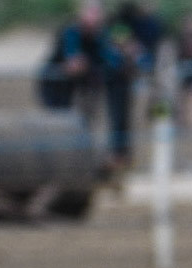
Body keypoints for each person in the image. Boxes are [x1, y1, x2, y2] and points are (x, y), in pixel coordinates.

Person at [53, 0, 136, 173]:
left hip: (99, 87)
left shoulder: (104, 33)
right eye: (92, 12)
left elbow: (112, 58)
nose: (95, 16)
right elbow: (72, 61)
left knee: (105, 123)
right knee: (78, 123)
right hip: (69, 90)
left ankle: (110, 160)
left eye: (97, 12)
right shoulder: (72, 32)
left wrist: (124, 57)